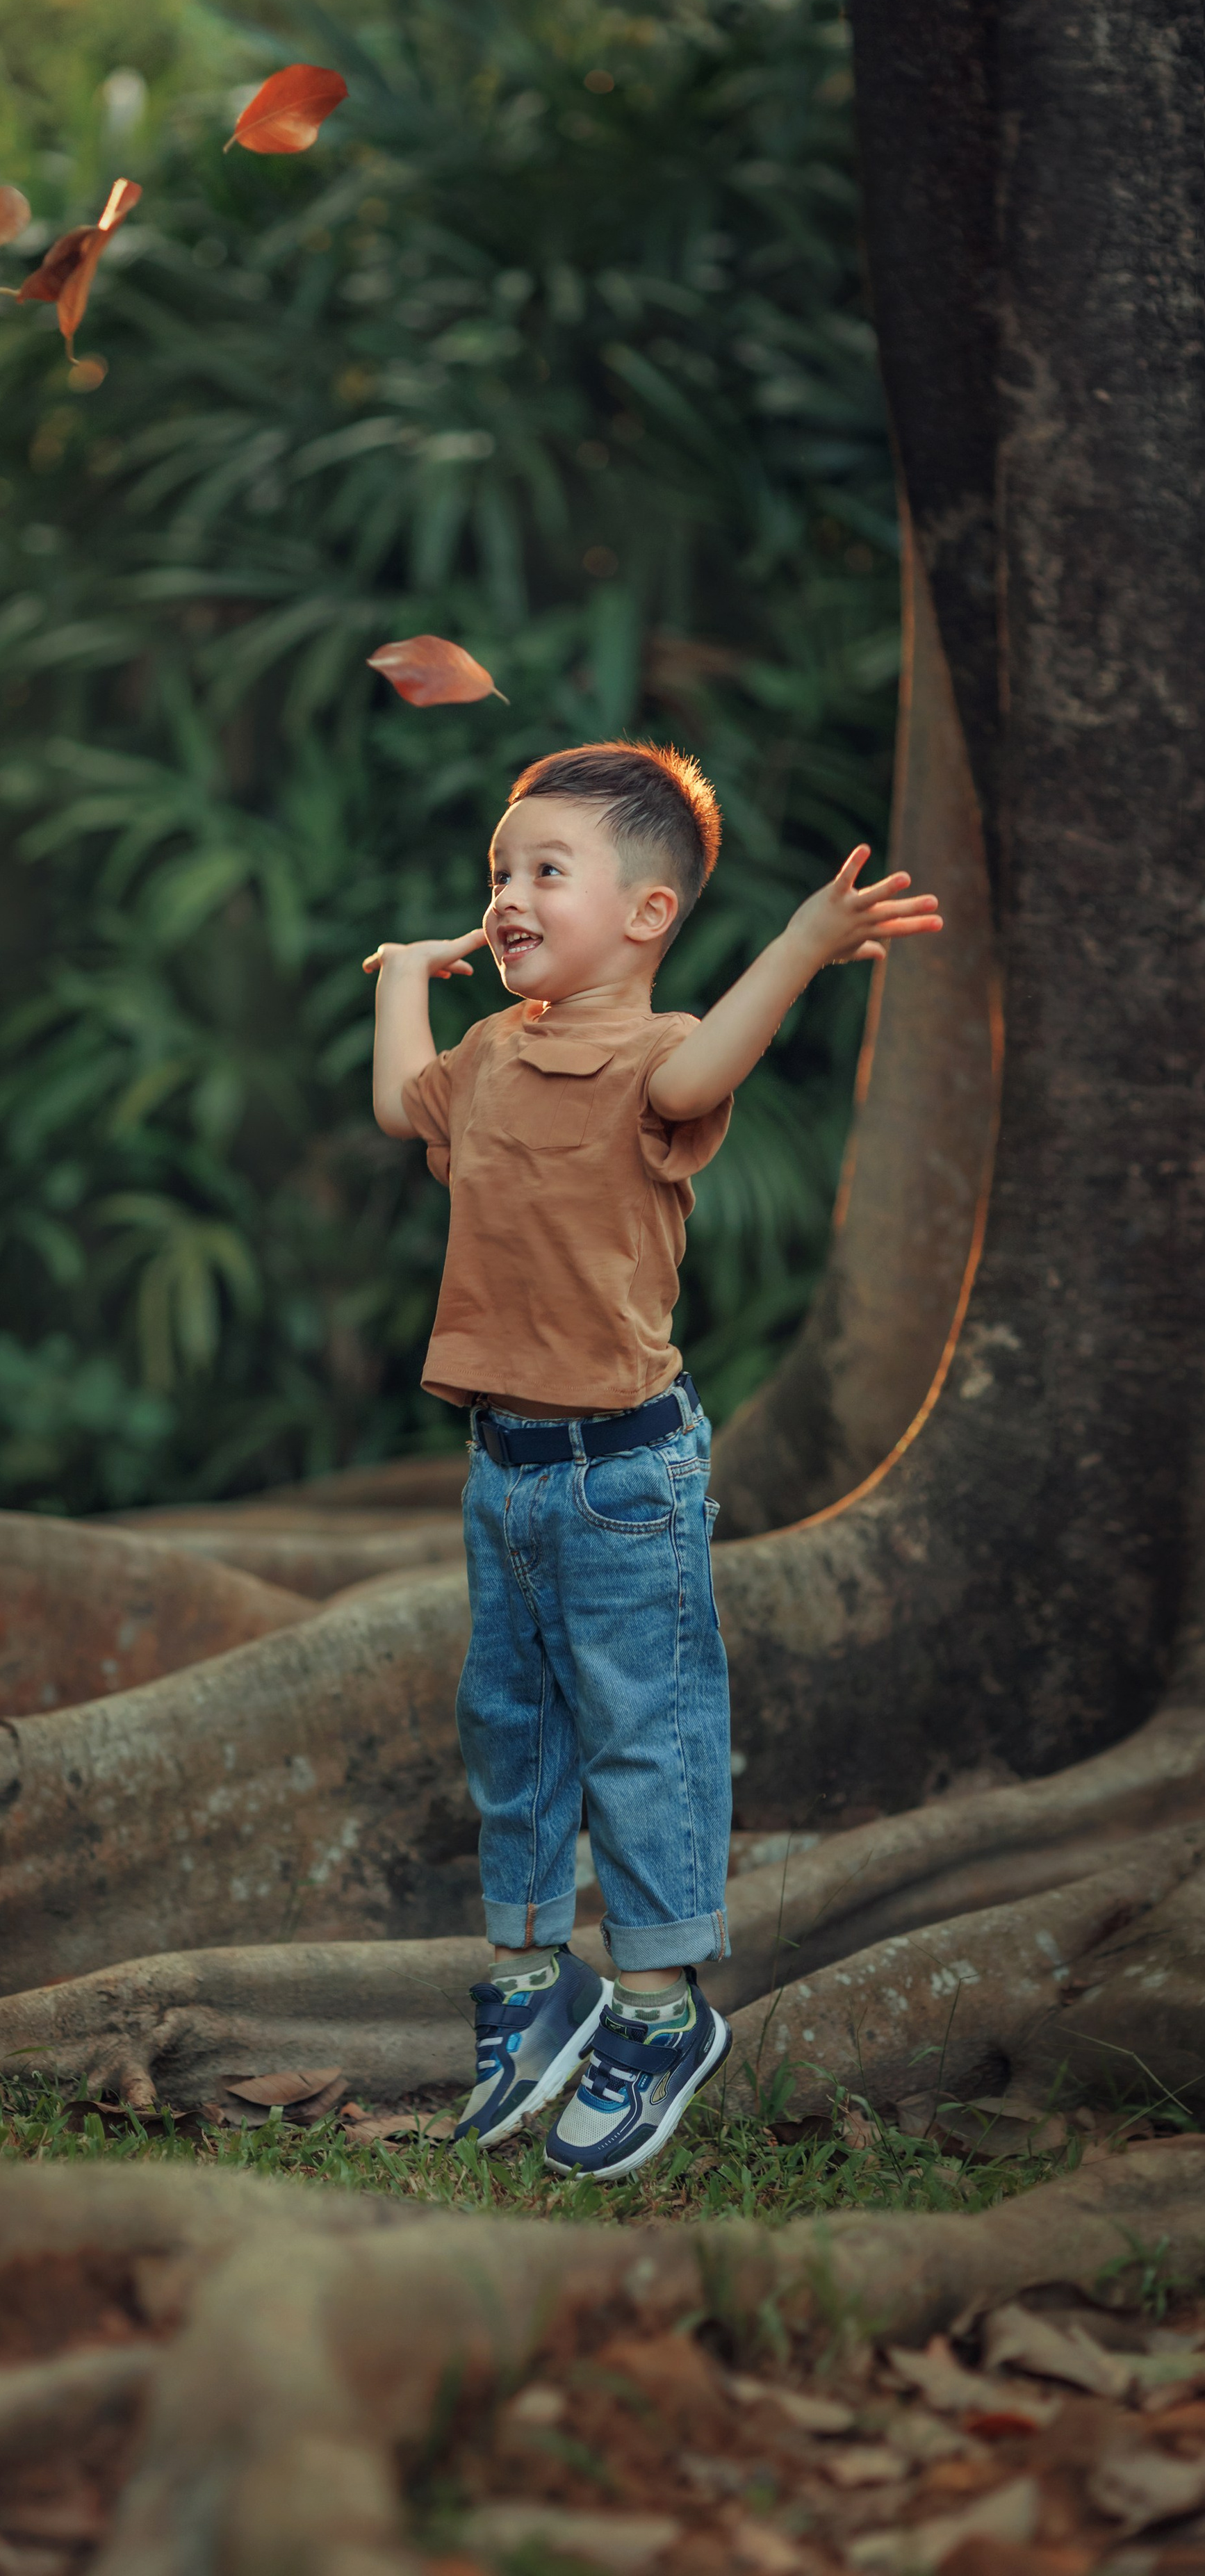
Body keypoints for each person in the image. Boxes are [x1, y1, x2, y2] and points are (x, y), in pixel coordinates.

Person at [365, 741, 941, 2179]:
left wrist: (804, 944)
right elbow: (397, 1111)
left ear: (643, 915)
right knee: (510, 1735)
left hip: (622, 1479)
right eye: (496, 873)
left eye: (541, 872)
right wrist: (398, 975)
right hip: (501, 1474)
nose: (503, 897)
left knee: (641, 1742)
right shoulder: (490, 1053)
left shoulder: (650, 1058)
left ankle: (657, 2007)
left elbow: (704, 1059)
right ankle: (527, 1984)